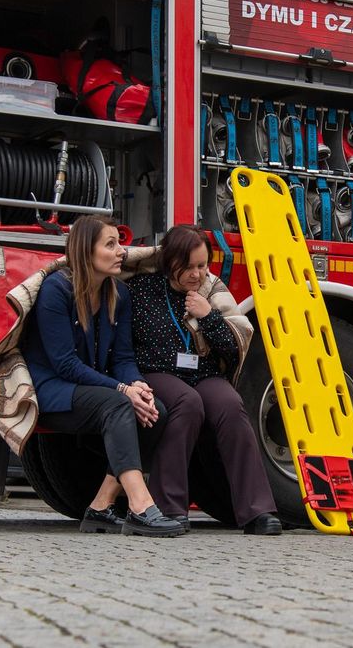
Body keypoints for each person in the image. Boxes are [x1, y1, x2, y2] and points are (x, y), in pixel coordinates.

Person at [20, 215, 185, 537]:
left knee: (156, 412)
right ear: (86, 250)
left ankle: (101, 506)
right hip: (53, 390)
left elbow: (123, 358)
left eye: (119, 243)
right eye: (110, 244)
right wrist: (122, 390)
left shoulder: (118, 293)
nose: (121, 251)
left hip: (95, 389)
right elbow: (65, 365)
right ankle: (141, 506)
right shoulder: (57, 290)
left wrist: (137, 384)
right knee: (120, 405)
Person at [127, 224, 282, 535]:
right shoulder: (142, 290)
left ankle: (257, 510)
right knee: (187, 403)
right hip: (158, 371)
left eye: (202, 265)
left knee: (230, 405)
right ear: (169, 261)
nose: (197, 274)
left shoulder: (210, 292)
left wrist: (208, 315)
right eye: (188, 267)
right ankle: (169, 507)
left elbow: (233, 348)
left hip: (203, 372)